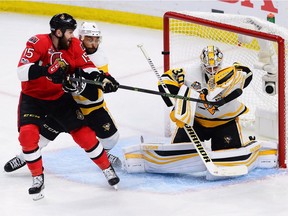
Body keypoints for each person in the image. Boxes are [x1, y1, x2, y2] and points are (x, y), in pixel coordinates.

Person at [122, 45, 277, 179]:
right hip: (196, 121)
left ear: (221, 63)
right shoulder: (189, 72)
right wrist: (175, 104)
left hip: (225, 122)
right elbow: (165, 81)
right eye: (208, 67)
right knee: (179, 150)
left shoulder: (231, 70)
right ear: (201, 64)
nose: (211, 70)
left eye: (215, 67)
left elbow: (247, 74)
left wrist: (225, 97)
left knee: (229, 153)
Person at [14, 13, 120, 200]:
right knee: (28, 136)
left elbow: (87, 66)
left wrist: (102, 78)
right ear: (58, 32)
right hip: (33, 99)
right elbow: (21, 72)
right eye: (70, 32)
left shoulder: (74, 45)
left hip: (58, 97)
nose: (73, 36)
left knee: (84, 135)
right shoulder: (38, 42)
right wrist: (46, 70)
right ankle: (37, 177)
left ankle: (107, 168)